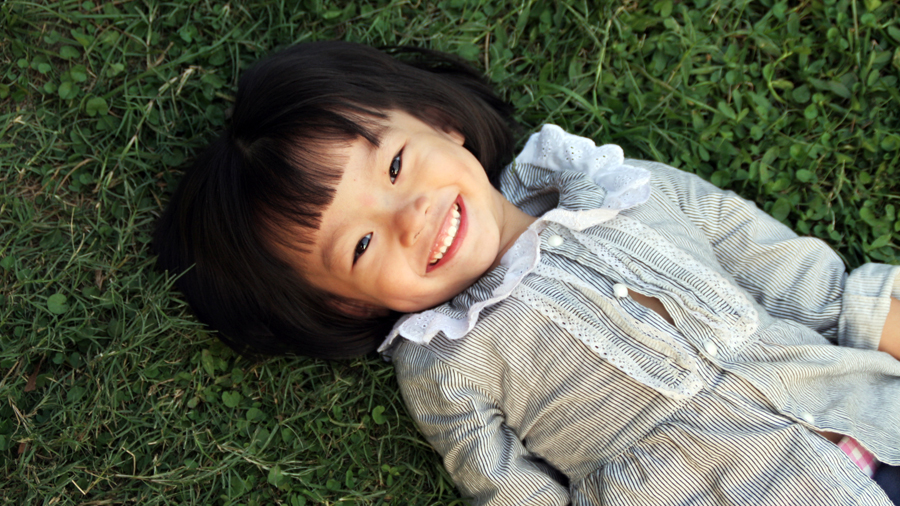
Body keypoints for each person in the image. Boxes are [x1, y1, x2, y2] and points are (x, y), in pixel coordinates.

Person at [153, 41, 900, 505]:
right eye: (361, 245)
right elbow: (509, 489)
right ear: (347, 305)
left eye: (397, 164)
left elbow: (802, 280)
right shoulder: (444, 365)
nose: (411, 216)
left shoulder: (617, 185)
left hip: (868, 412)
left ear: (440, 122)